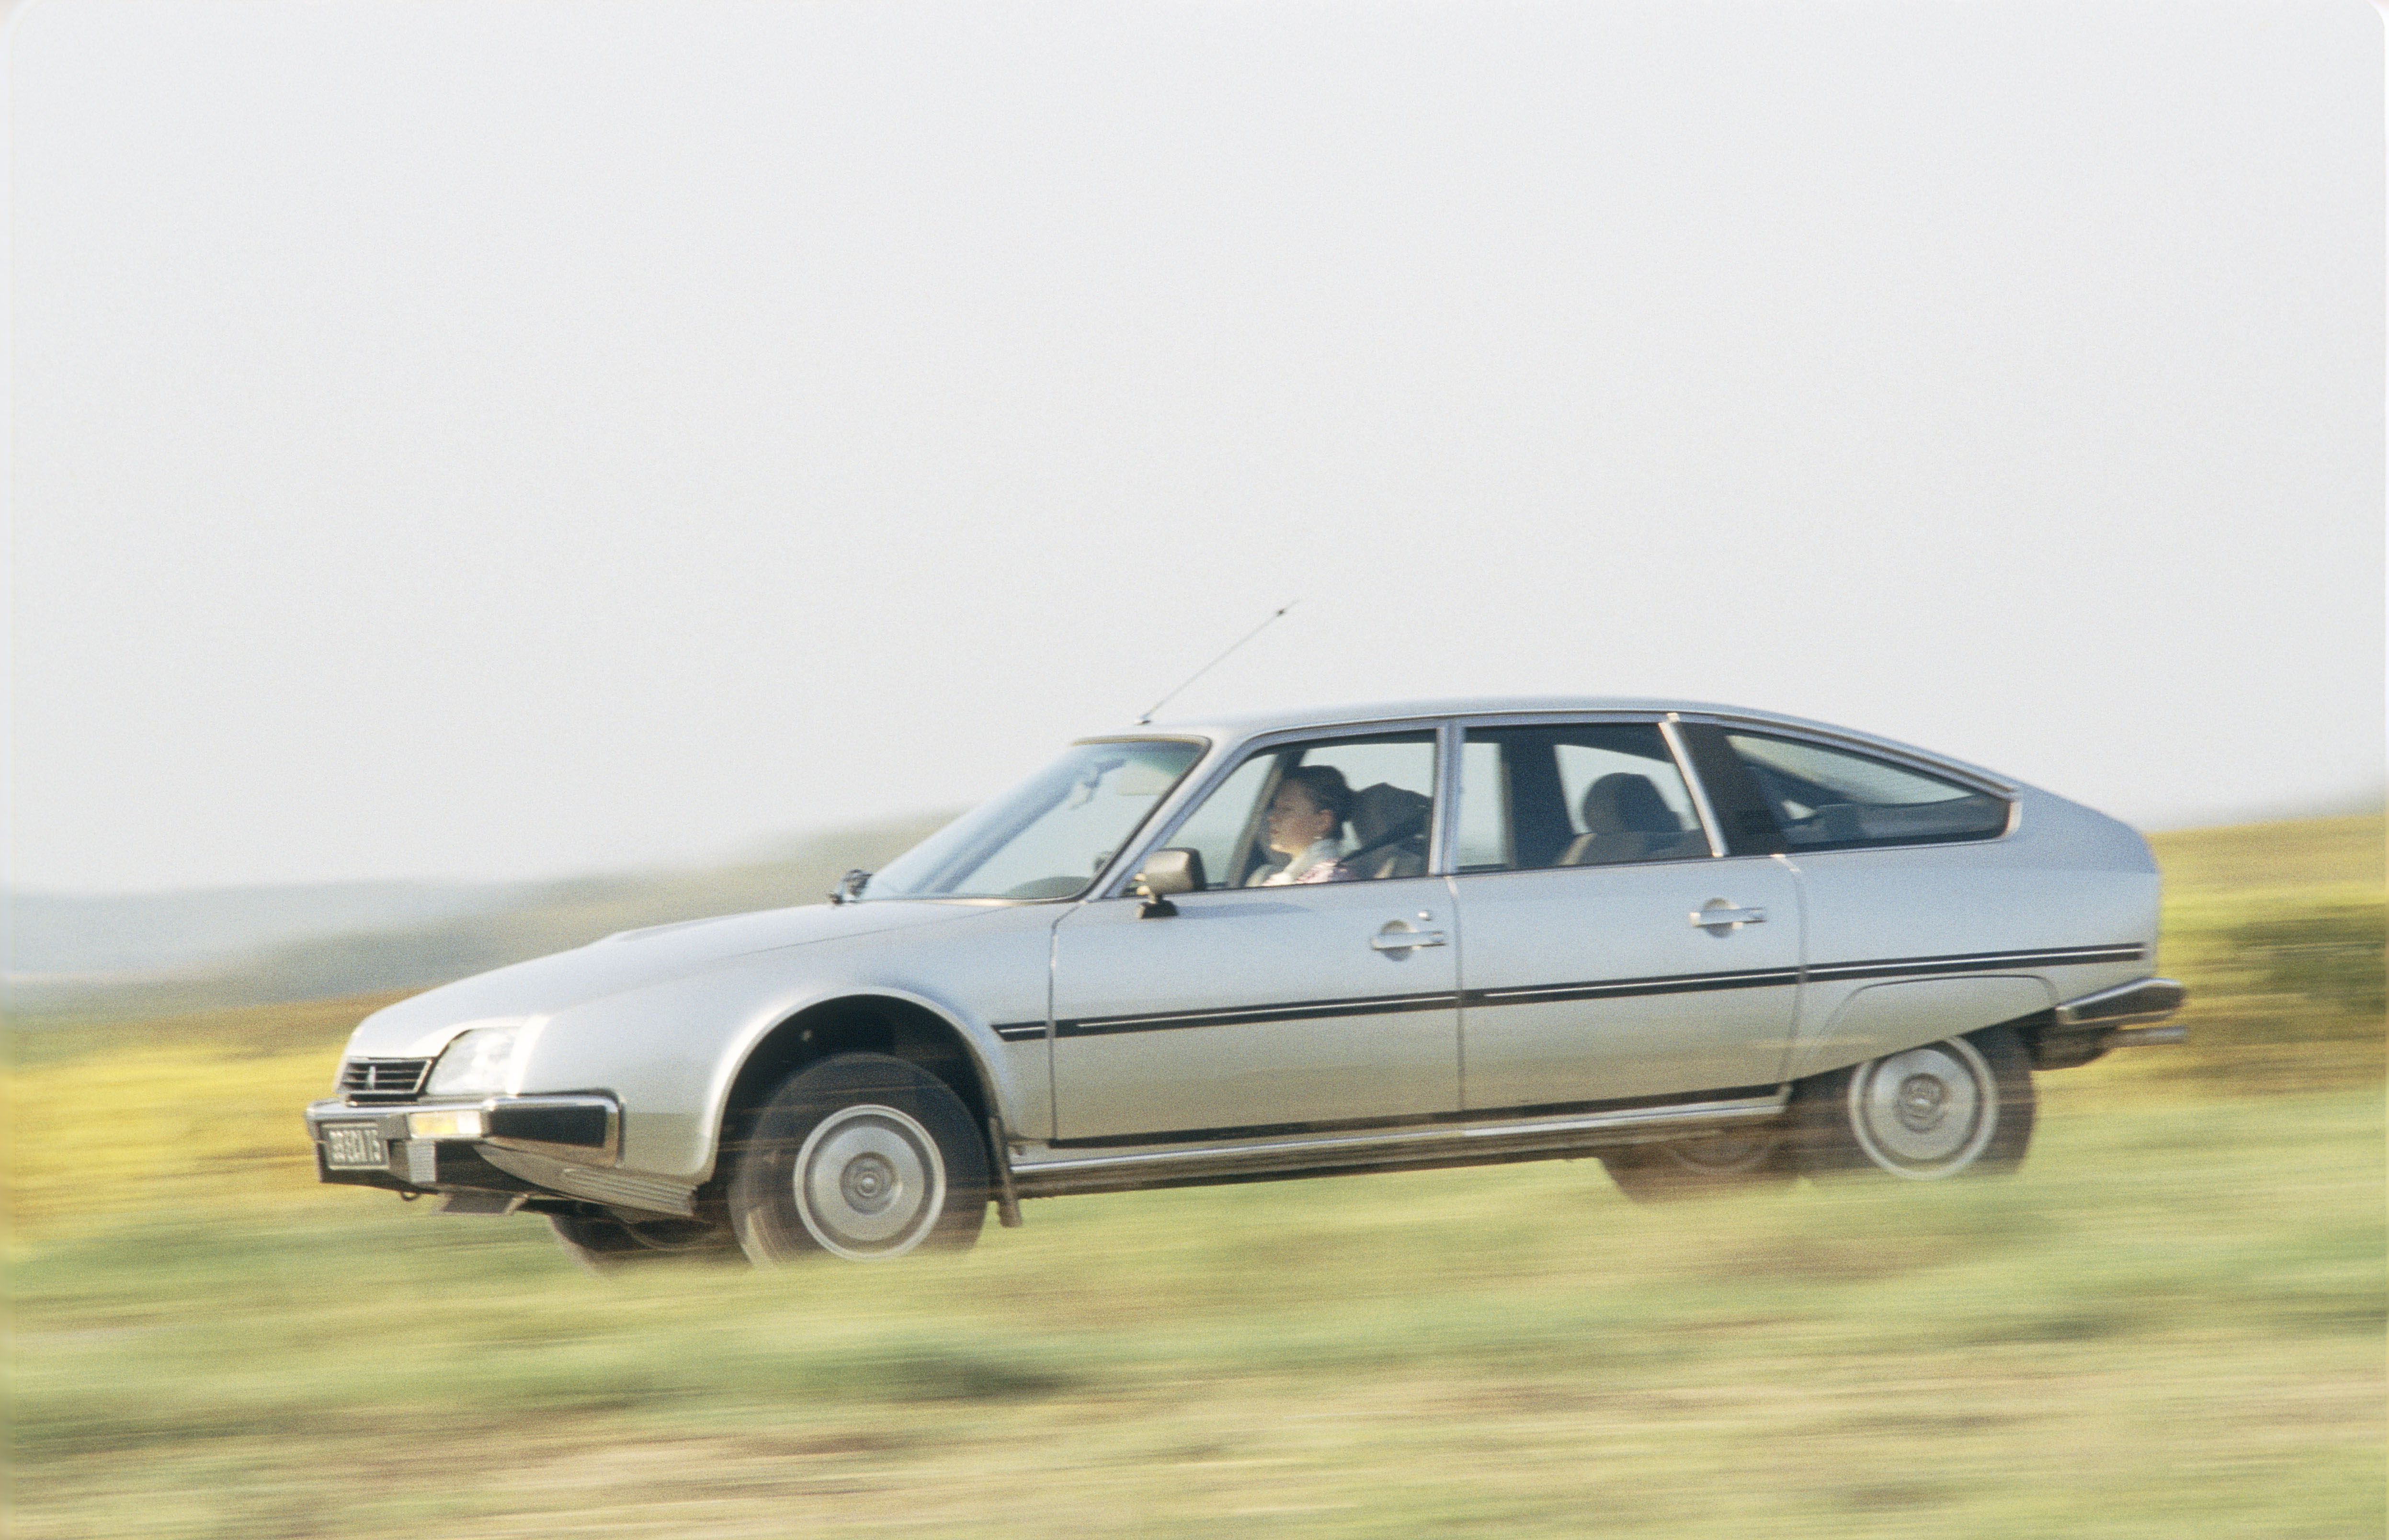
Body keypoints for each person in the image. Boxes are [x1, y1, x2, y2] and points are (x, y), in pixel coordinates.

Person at [1253, 765, 1356, 884]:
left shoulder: (1329, 879)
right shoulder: (1307, 875)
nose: (1272, 818)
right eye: (1276, 808)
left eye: (1286, 809)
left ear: (1322, 822)